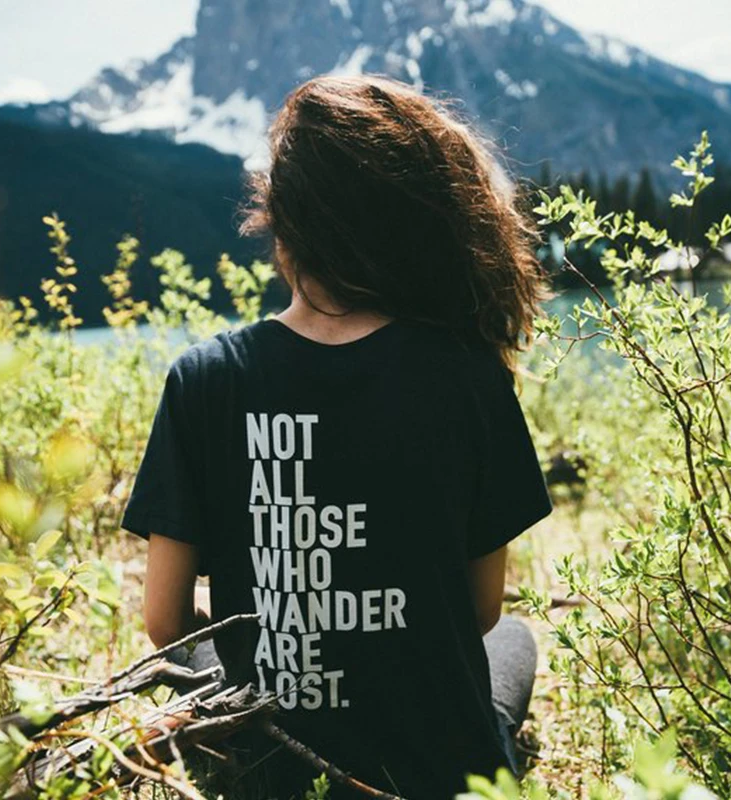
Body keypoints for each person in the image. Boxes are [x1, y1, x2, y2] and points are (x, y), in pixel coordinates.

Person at [121, 73, 553, 799]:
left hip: (272, 768)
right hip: (436, 776)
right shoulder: (468, 374)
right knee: (513, 639)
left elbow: (166, 621)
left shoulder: (205, 379)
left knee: (199, 663)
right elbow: (480, 612)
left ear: (283, 223)